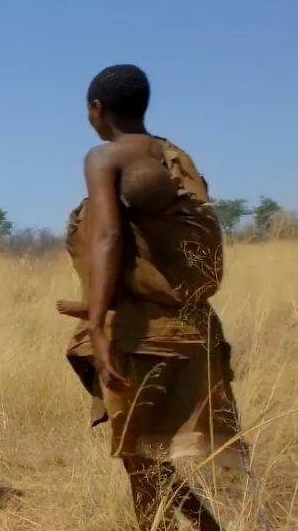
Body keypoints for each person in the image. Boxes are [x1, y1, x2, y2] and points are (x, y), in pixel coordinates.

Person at [60, 64, 246, 531]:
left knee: (141, 466)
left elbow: (107, 238)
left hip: (141, 336)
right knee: (149, 459)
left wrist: (98, 325)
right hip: (193, 327)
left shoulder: (106, 157)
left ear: (97, 110)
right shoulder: (174, 156)